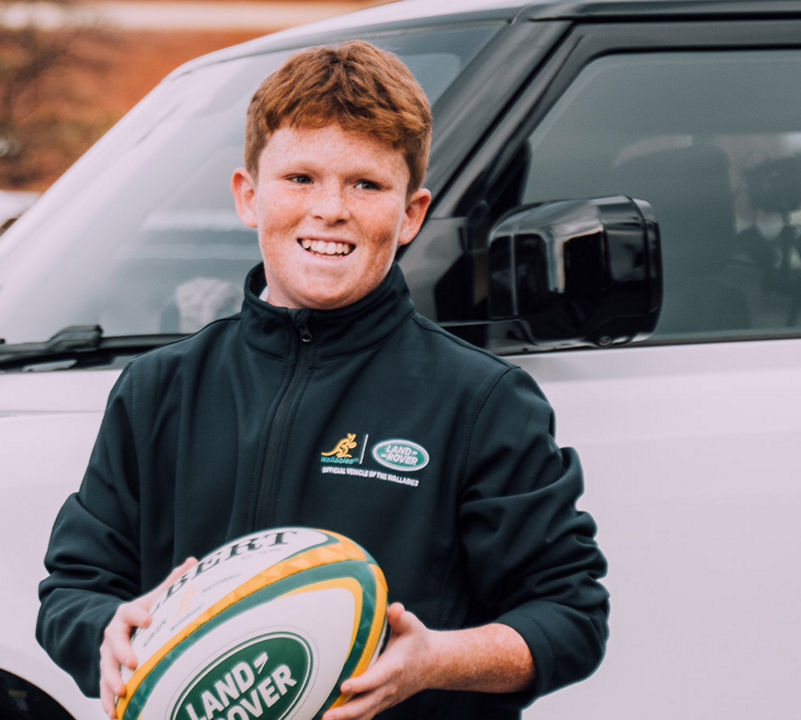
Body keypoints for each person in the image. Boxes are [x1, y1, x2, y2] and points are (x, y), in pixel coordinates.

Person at [35, 41, 608, 720]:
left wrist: (434, 663)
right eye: (300, 178)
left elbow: (571, 617)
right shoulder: (160, 390)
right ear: (249, 196)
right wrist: (108, 631)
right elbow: (73, 589)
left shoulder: (480, 401)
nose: (330, 208)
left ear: (411, 213)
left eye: (366, 184)